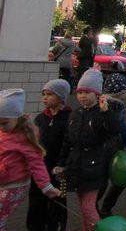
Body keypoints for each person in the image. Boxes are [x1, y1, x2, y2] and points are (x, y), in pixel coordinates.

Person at [54, 69, 119, 231]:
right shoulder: (76, 113)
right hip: (76, 167)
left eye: (87, 92)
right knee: (84, 209)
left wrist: (106, 112)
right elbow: (67, 141)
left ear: (96, 94)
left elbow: (114, 130)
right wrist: (61, 163)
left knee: (88, 208)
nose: (82, 95)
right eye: (80, 92)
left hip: (94, 169)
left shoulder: (102, 113)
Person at [0, 89, 62, 230]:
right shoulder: (4, 131)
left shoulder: (24, 138)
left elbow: (37, 163)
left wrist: (46, 187)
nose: (1, 127)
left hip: (13, 186)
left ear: (17, 117)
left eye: (4, 123)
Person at [27, 79, 71, 231]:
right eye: (43, 94)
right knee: (36, 202)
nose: (45, 97)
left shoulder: (69, 118)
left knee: (57, 202)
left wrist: (63, 165)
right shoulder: (40, 118)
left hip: (59, 170)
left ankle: (56, 227)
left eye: (50, 94)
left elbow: (69, 144)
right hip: (40, 168)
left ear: (61, 97)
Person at [96, 72, 126, 218]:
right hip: (112, 150)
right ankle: (102, 208)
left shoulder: (102, 102)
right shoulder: (116, 107)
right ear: (120, 92)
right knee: (117, 180)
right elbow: (123, 130)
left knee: (103, 182)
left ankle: (94, 207)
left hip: (103, 149)